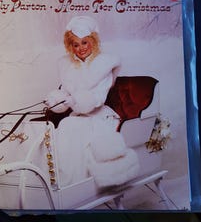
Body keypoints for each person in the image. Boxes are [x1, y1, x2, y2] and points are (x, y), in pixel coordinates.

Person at [46, 16, 139, 188]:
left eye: (84, 43)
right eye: (76, 44)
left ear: (93, 42)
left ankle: (77, 184)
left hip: (99, 117)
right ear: (70, 47)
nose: (81, 48)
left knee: (72, 128)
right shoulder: (67, 67)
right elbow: (64, 93)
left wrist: (75, 100)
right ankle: (66, 183)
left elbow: (97, 99)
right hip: (78, 117)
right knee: (64, 128)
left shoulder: (103, 64)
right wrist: (56, 100)